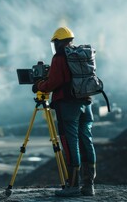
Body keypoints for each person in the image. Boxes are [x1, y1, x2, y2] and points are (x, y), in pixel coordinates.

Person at [32, 27, 96, 197]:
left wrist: (39, 85)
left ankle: (73, 185)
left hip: (68, 106)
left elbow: (53, 82)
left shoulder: (60, 57)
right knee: (86, 141)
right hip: (86, 103)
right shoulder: (82, 55)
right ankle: (89, 185)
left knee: (70, 142)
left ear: (58, 42)